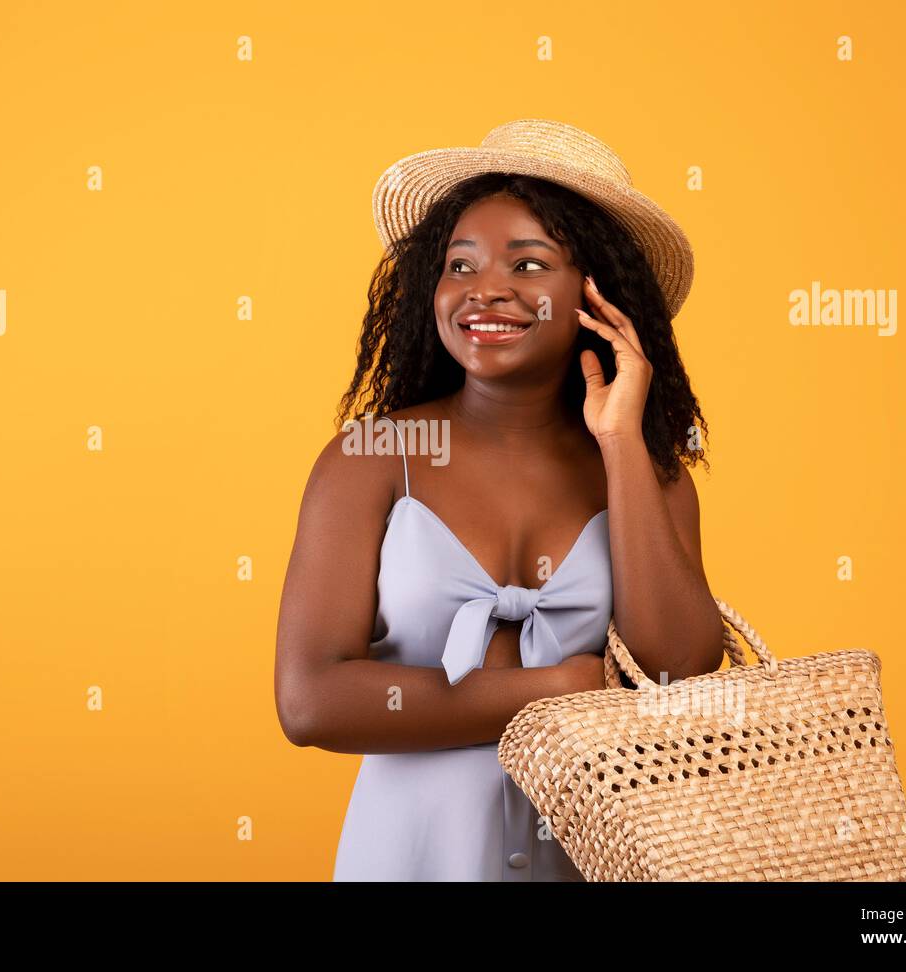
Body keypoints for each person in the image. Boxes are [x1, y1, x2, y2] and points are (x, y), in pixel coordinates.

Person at [274, 119, 727, 881]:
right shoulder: (370, 459)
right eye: (461, 264)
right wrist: (554, 689)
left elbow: (680, 667)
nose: (487, 289)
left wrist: (620, 443)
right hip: (411, 857)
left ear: (593, 294)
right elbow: (311, 700)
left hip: (593, 857)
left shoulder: (649, 470)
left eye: (529, 262)